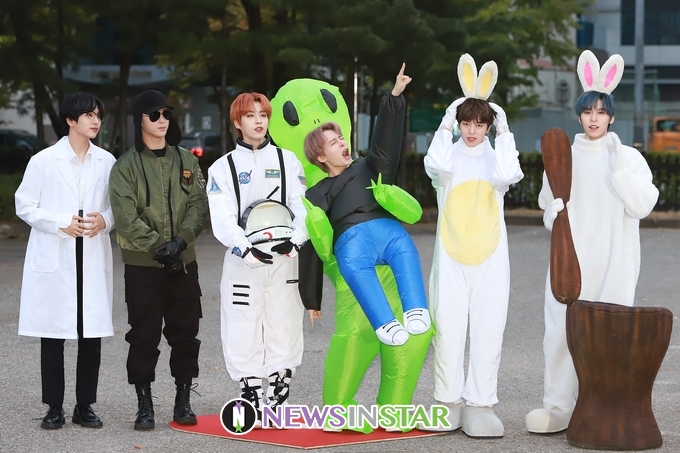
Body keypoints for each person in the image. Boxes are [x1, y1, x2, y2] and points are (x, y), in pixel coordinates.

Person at [525, 50, 659, 433]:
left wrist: (618, 172)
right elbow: (548, 206)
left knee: (608, 337)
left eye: (601, 112)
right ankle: (558, 406)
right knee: (560, 334)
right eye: (588, 112)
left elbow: (643, 205)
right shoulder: (563, 156)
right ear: (580, 115)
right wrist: (554, 214)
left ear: (611, 116)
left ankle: (604, 408)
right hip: (569, 264)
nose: (594, 118)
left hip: (615, 263)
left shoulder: (628, 158)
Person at [423, 54, 523, 437]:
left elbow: (509, 173)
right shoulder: (448, 157)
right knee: (448, 331)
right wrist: (445, 121)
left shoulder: (495, 158)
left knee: (488, 330)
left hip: (490, 259)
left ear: (488, 126)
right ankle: (447, 402)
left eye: (480, 124)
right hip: (450, 257)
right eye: (466, 123)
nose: (471, 131)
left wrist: (505, 131)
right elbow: (437, 165)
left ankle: (480, 403)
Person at [302, 64, 430, 348]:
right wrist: (311, 299)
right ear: (321, 157)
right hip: (351, 240)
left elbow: (386, 140)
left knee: (405, 249)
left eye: (341, 138)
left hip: (386, 229)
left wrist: (394, 97)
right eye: (333, 143)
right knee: (353, 267)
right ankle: (385, 322)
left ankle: (416, 309)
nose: (342, 143)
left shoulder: (368, 166)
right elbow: (311, 245)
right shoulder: (315, 194)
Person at [206, 91, 309, 424]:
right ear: (238, 122)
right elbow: (222, 217)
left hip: (284, 256)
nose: (258, 121)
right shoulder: (223, 168)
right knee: (241, 322)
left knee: (285, 319)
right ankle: (249, 388)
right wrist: (243, 247)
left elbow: (303, 207)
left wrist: (296, 241)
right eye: (250, 115)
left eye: (263, 115)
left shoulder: (288, 161)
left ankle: (279, 386)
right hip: (243, 261)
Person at [108, 90, 209, 430]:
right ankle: (144, 404)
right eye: (154, 114)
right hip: (143, 266)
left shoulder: (187, 160)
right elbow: (126, 219)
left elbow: (198, 205)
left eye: (166, 113)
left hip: (184, 262)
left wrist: (180, 242)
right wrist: (161, 249)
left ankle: (183, 400)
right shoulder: (124, 167)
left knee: (186, 333)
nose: (162, 119)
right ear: (139, 120)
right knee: (143, 336)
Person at [15, 92, 115, 430]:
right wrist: (60, 222)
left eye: (98, 115)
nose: (95, 120)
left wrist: (105, 220)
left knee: (91, 335)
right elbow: (25, 205)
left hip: (91, 254)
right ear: (71, 120)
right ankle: (54, 407)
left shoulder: (107, 161)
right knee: (52, 334)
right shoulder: (44, 161)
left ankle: (84, 406)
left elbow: (117, 206)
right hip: (56, 255)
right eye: (88, 114)